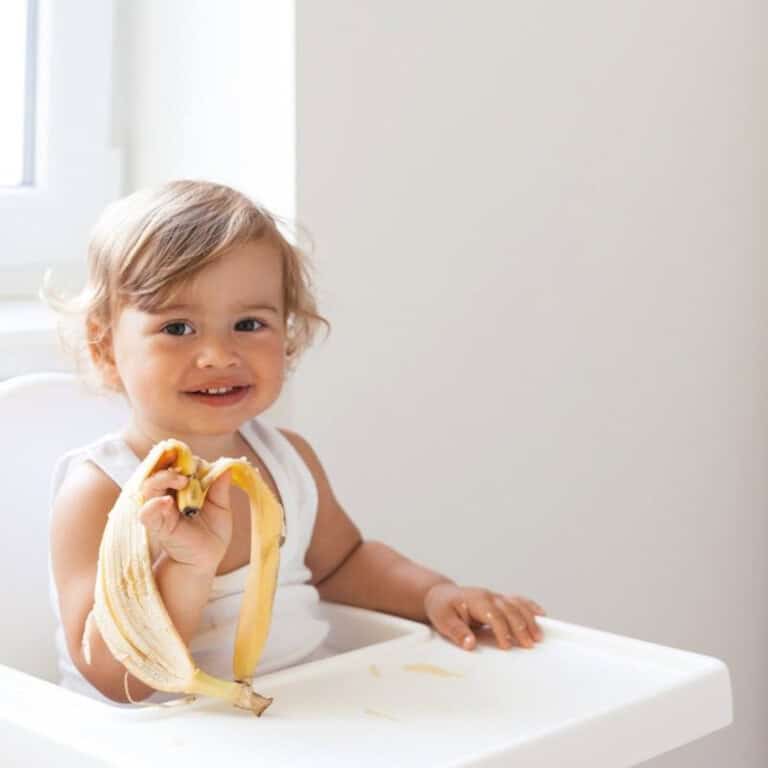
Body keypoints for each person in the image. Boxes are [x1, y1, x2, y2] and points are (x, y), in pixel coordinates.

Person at [44, 180, 546, 706]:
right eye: (177, 327)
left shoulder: (287, 460)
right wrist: (185, 566)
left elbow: (344, 563)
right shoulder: (100, 490)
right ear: (105, 347)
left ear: (286, 333)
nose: (218, 353)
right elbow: (113, 679)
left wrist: (433, 594)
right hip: (155, 739)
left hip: (297, 713)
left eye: (248, 323)